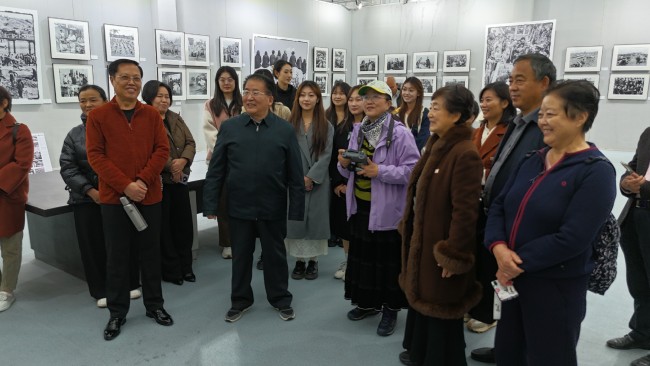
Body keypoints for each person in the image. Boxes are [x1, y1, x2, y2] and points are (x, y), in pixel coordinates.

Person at [484, 80, 616, 366]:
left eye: (551, 114)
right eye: (541, 114)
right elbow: (498, 207)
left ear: (580, 117)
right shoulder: (533, 160)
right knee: (509, 352)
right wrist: (498, 248)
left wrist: (512, 261)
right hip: (512, 281)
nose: (542, 121)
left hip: (554, 287)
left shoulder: (596, 171)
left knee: (549, 356)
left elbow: (573, 237)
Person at [470, 53, 555, 364]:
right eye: (510, 80)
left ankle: (522, 352)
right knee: (507, 294)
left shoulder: (545, 126)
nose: (513, 87)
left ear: (544, 83)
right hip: (501, 221)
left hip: (526, 229)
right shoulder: (519, 122)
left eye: (520, 80)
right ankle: (506, 347)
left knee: (528, 299)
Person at [203, 74, 304, 323]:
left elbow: (295, 174)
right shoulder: (230, 127)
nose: (249, 96)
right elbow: (216, 170)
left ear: (270, 99)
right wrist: (211, 203)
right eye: (246, 91)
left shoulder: (285, 130)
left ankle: (280, 299)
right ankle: (240, 300)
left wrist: (296, 211)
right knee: (241, 257)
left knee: (275, 257)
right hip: (239, 206)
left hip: (273, 207)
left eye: (256, 92)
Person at [86, 59, 172, 341]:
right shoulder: (98, 116)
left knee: (150, 253)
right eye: (125, 77)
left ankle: (155, 305)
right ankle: (117, 312)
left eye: (136, 77)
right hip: (114, 199)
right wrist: (125, 185)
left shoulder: (150, 115)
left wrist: (142, 182)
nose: (131, 82)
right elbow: (95, 156)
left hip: (149, 196)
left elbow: (162, 150)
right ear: (112, 79)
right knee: (117, 256)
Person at [398, 85, 483, 366]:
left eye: (437, 107)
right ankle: (421, 355)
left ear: (457, 114)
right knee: (426, 304)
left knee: (441, 310)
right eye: (431, 107)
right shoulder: (438, 145)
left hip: (441, 249)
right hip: (426, 243)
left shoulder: (464, 153)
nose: (430, 113)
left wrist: (453, 255)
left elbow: (465, 212)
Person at [337, 80, 420, 336]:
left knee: (386, 263)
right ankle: (367, 303)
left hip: (386, 211)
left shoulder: (400, 132)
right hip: (360, 207)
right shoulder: (359, 129)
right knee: (363, 258)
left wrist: (379, 171)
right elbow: (349, 169)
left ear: (388, 102)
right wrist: (344, 163)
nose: (369, 101)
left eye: (376, 96)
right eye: (365, 97)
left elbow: (413, 170)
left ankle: (390, 310)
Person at [60, 84, 141, 308]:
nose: (87, 105)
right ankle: (101, 289)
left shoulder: (121, 127)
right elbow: (68, 168)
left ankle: (131, 282)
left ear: (105, 100)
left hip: (119, 195)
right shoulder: (74, 135)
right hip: (87, 199)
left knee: (123, 242)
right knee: (93, 245)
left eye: (93, 100)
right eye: (82, 101)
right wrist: (90, 191)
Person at [464, 81, 516, 333]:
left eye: (489, 100)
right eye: (482, 100)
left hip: (495, 206)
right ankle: (475, 306)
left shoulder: (510, 132)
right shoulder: (477, 130)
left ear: (505, 103)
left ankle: (491, 314)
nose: (484, 104)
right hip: (472, 203)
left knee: (492, 264)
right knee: (474, 260)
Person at [142, 80, 196, 285]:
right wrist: (171, 166)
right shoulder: (144, 119)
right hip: (160, 182)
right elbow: (147, 150)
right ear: (149, 97)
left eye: (167, 96)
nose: (164, 100)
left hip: (180, 180)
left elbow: (191, 142)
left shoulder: (175, 118)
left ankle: (186, 266)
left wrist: (182, 162)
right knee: (164, 228)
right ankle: (172, 270)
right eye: (159, 96)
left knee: (183, 226)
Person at [608, 129, 650, 366]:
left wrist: (644, 188)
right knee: (639, 282)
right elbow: (633, 166)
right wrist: (626, 182)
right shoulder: (648, 133)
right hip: (636, 216)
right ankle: (642, 333)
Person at [286, 81, 334, 280]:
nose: (306, 99)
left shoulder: (326, 125)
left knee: (315, 222)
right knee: (295, 222)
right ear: (297, 98)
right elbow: (285, 155)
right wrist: (299, 178)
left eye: (311, 95)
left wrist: (311, 177)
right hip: (294, 181)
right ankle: (299, 261)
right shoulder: (289, 124)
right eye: (302, 95)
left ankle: (313, 261)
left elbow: (326, 155)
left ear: (317, 99)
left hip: (318, 182)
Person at [203, 66, 243, 259]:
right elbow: (209, 131)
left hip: (243, 159)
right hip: (220, 160)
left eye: (230, 79)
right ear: (218, 83)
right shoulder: (210, 105)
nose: (226, 82)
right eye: (222, 79)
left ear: (235, 82)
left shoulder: (243, 103)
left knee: (242, 202)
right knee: (224, 203)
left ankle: (242, 239)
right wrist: (225, 150)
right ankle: (227, 243)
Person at [0, 86, 33, 312]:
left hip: (7, 195)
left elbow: (22, 164)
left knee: (10, 246)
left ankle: (7, 290)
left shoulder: (19, 130)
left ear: (4, 103)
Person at [394, 77, 430, 152]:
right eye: (404, 89)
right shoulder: (395, 113)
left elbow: (422, 140)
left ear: (419, 93)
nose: (406, 93)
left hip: (415, 157)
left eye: (411, 90)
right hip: (396, 155)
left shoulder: (425, 114)